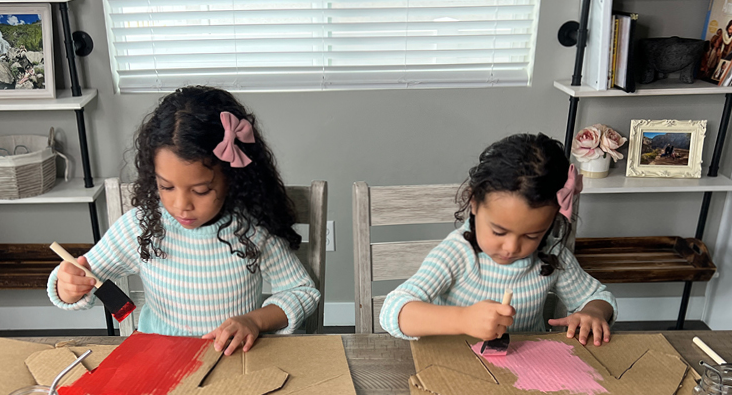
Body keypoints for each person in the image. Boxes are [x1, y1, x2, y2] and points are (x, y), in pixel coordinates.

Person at [48, 86, 320, 355]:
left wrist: (254, 321)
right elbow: (83, 275)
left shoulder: (251, 229)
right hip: (160, 359)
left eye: (201, 191)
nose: (181, 205)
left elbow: (302, 292)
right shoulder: (142, 227)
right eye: (166, 187)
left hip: (231, 358)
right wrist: (68, 287)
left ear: (232, 179)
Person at [379, 132, 617, 347]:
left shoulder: (551, 253)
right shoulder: (458, 253)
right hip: (455, 368)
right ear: (473, 203)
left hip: (530, 372)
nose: (512, 247)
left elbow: (598, 296)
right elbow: (393, 311)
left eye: (532, 235)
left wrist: (593, 313)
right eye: (499, 232)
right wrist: (463, 320)